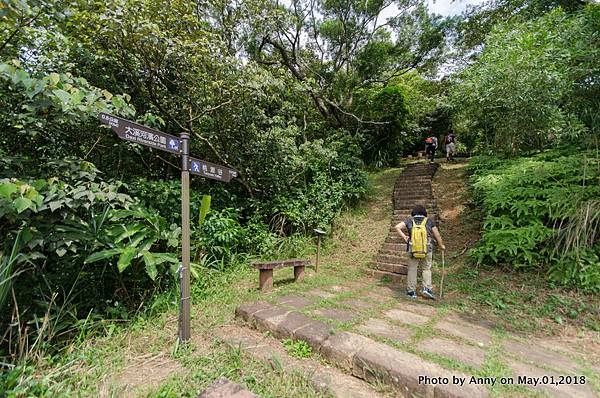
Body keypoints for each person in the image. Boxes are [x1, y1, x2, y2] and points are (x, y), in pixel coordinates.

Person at [394, 205, 445, 299]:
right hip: (427, 249)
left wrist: (404, 237)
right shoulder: (429, 221)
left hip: (412, 249)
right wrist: (441, 245)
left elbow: (397, 227)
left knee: (412, 269)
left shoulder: (409, 220)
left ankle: (411, 291)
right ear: (424, 212)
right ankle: (426, 288)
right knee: (426, 269)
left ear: (413, 212)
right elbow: (437, 234)